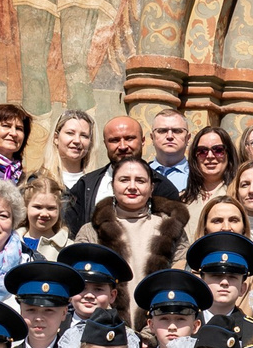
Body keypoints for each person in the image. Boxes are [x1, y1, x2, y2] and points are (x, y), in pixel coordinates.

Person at [91, 157, 187, 302]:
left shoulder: (170, 229)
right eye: (124, 180)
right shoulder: (92, 230)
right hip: (104, 318)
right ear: (112, 186)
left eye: (140, 181)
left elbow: (180, 275)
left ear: (151, 188)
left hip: (159, 317)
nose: (132, 186)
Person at [65, 115, 148, 228]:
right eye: (114, 140)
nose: (122, 146)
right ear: (105, 144)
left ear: (143, 141)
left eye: (129, 138)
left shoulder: (161, 185)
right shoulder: (86, 184)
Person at [45, 109, 99, 196]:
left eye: (84, 135)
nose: (77, 141)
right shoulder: (39, 181)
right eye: (70, 133)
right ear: (56, 138)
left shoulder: (97, 184)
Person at [186, 126, 237, 202]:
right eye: (202, 151)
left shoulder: (239, 195)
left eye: (218, 150)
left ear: (228, 154)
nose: (210, 156)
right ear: (195, 156)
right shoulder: (184, 200)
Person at [148, 110, 193, 197]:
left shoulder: (200, 176)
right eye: (162, 131)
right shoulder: (140, 173)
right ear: (152, 137)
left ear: (188, 138)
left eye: (177, 131)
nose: (169, 136)